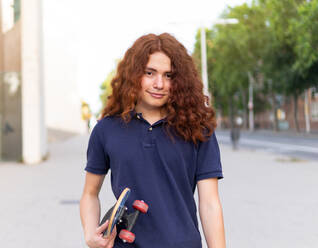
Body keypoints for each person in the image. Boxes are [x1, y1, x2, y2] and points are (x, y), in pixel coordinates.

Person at [80, 33, 226, 248]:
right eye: (150, 73)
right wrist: (90, 234)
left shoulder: (197, 128)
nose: (159, 83)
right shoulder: (106, 129)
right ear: (134, 74)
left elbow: (210, 204)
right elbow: (89, 194)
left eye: (168, 75)